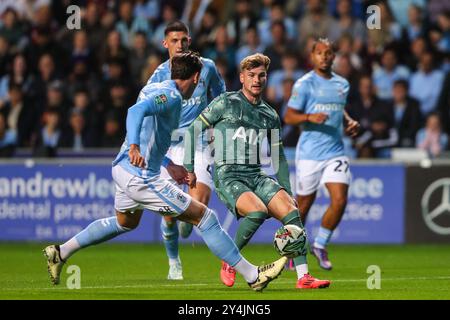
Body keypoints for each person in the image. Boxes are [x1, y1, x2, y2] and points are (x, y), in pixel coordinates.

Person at [43, 52, 286, 292]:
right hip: (140, 175)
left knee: (125, 223)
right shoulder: (170, 96)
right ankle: (253, 275)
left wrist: (169, 164)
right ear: (196, 77)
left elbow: (151, 133)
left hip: (122, 169)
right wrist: (135, 146)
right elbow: (134, 112)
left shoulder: (156, 88)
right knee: (206, 217)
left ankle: (60, 251)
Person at [184, 53, 331, 289]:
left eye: (261, 75)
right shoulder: (225, 102)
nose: (257, 80)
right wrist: (189, 167)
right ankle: (230, 260)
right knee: (257, 211)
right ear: (242, 78)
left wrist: (287, 189)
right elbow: (192, 131)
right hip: (228, 174)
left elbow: (278, 157)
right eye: (251, 75)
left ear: (266, 78)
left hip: (255, 175)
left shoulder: (270, 115)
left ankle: (304, 277)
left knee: (292, 212)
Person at [147, 21, 226, 280]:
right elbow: (146, 111)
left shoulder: (208, 67)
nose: (179, 45)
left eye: (183, 40)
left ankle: (186, 224)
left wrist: (218, 122)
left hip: (200, 142)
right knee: (169, 215)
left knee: (197, 205)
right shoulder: (159, 75)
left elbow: (220, 96)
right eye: (174, 40)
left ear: (189, 41)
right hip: (169, 145)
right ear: (165, 44)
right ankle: (174, 262)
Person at [284, 39, 359, 270]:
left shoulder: (342, 84)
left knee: (340, 199)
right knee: (304, 206)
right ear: (313, 56)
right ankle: (294, 250)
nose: (324, 57)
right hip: (309, 153)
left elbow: (338, 106)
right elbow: (289, 116)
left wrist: (348, 122)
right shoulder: (304, 84)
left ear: (334, 56)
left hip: (335, 150)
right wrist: (309, 118)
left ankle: (320, 244)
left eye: (328, 53)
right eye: (320, 53)